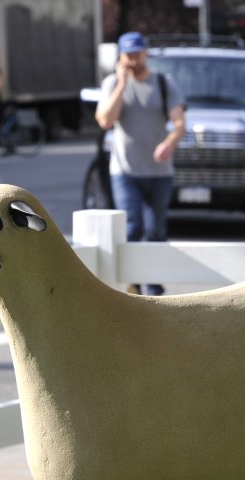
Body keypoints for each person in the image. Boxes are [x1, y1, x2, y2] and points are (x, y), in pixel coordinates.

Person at [95, 31, 186, 296]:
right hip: (125, 170)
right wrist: (122, 84)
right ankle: (134, 286)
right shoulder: (112, 83)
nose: (134, 60)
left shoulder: (163, 83)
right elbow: (105, 121)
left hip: (159, 172)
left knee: (155, 231)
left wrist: (169, 142)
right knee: (133, 227)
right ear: (121, 57)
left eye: (138, 54)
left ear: (146, 53)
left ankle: (153, 290)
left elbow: (179, 124)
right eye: (128, 55)